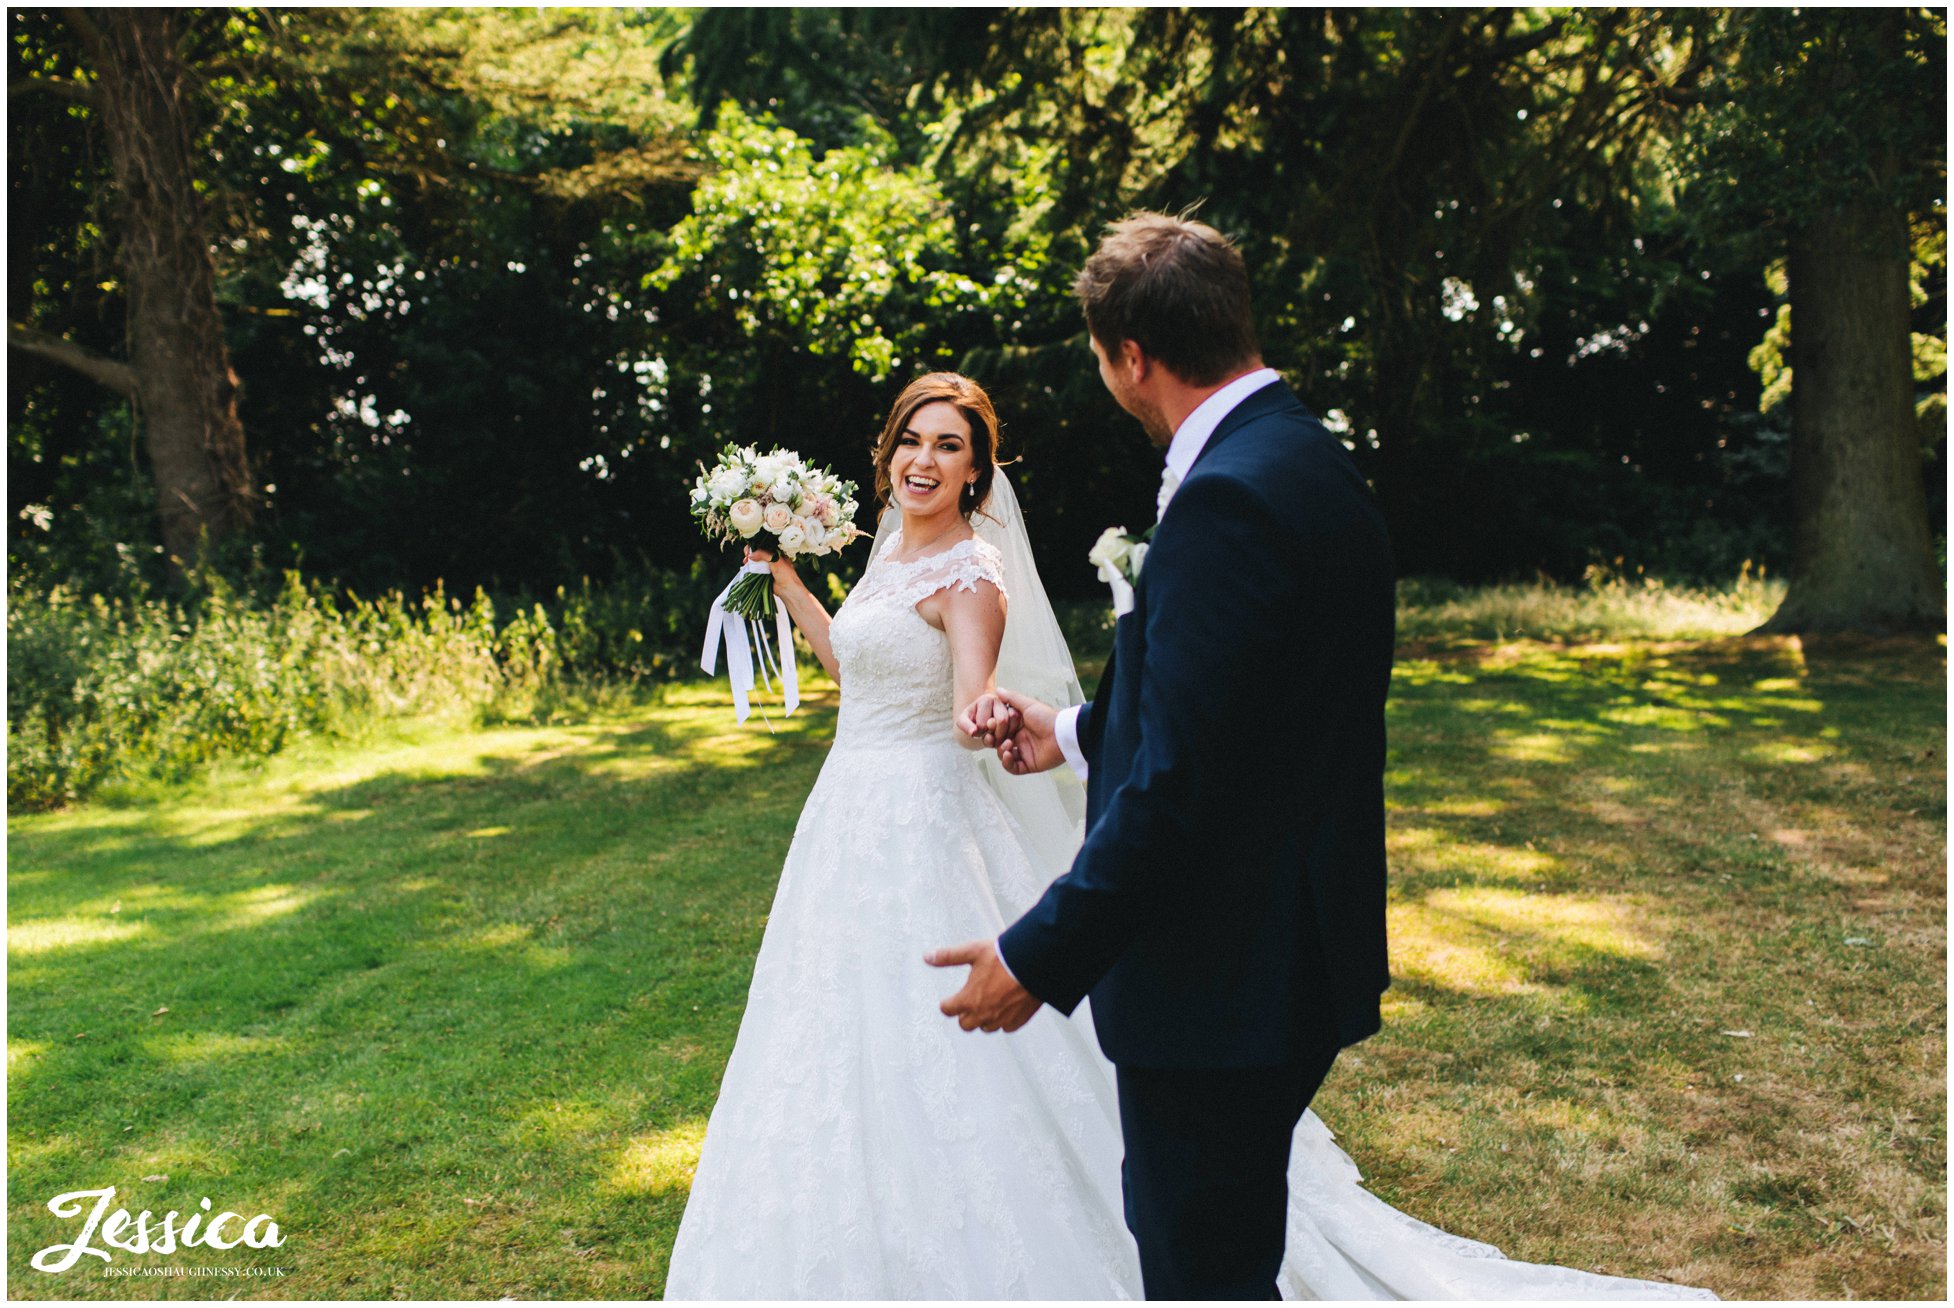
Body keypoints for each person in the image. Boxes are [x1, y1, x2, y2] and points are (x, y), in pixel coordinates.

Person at [662, 364, 1714, 1301]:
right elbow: (857, 673)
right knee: (833, 1024)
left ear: (979, 475)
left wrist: (993, 721)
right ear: (885, 454)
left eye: (951, 446)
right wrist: (794, 590)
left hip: (926, 820)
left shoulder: (970, 576)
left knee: (947, 1042)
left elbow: (967, 709)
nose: (925, 460)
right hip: (845, 820)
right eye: (912, 440)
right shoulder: (885, 564)